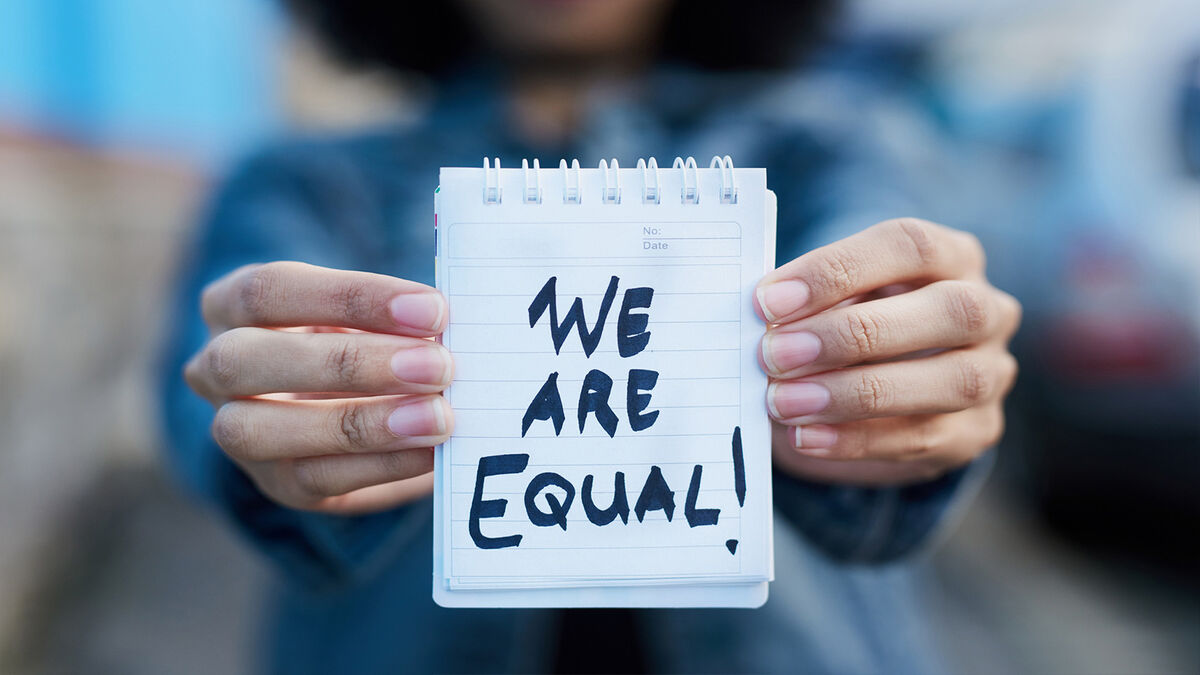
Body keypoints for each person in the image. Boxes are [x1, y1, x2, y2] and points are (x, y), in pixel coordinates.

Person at [161, 1, 1021, 672]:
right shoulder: (302, 182)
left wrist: (910, 370)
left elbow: (893, 283)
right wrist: (255, 424)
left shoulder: (829, 148)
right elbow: (201, 399)